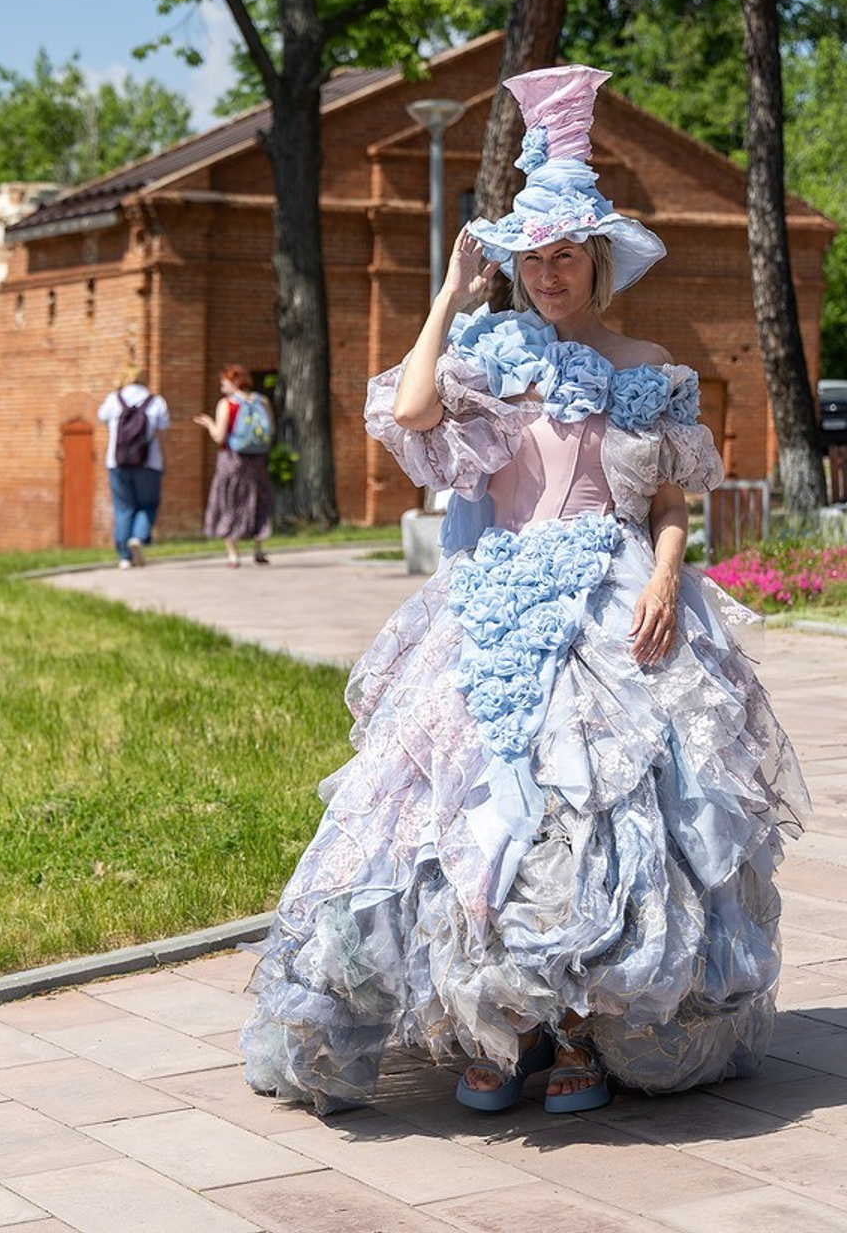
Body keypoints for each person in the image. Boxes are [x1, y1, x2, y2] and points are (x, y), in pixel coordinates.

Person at [240, 64, 809, 1118]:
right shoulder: (486, 356)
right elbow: (409, 415)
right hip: (494, 608)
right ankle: (494, 1031)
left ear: (596, 262)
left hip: (614, 606)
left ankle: (583, 1033)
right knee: (469, 813)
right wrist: (451, 294)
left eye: (564, 256)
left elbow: (673, 497)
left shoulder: (649, 361)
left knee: (604, 813)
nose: (547, 274)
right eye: (530, 258)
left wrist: (665, 575)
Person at [194, 364, 275, 567]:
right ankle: (259, 550)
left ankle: (233, 555)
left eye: (224, 382)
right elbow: (271, 430)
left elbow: (219, 436)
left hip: (232, 460)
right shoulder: (262, 400)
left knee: (229, 501)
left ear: (234, 382)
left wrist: (209, 424)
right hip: (257, 461)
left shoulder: (227, 404)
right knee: (257, 501)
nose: (222, 387)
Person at [97, 369, 171, 570]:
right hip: (149, 463)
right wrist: (165, 459)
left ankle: (124, 557)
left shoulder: (114, 399)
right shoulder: (156, 402)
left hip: (117, 462)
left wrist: (116, 390)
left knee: (123, 508)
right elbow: (163, 434)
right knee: (148, 504)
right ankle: (138, 537)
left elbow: (101, 417)